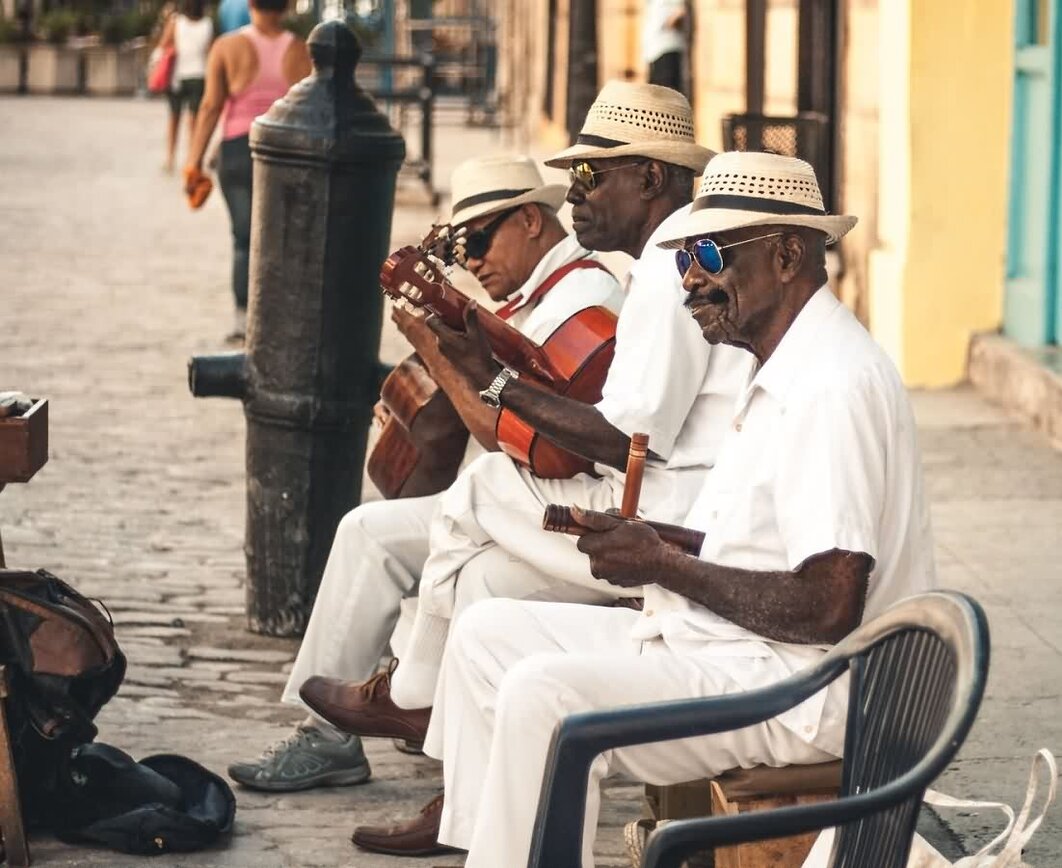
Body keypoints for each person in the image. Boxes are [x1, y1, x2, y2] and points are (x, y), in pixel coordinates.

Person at [366, 150, 937, 866]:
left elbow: (828, 606)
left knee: (546, 692)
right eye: (681, 259)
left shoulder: (830, 387)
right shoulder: (784, 362)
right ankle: (493, 847)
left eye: (707, 253)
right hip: (742, 649)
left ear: (788, 255)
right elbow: (766, 550)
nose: (691, 278)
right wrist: (651, 544)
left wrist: (662, 564)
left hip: (805, 686)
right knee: (486, 634)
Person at [321, 81, 756, 858]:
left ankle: (413, 692)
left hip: (680, 517)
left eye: (593, 179)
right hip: (670, 491)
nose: (576, 200)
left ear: (651, 178)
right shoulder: (669, 256)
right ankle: (470, 817)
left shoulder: (672, 265)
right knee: (484, 586)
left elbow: (626, 436)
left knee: (484, 489)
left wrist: (493, 380)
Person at [225, 156, 626, 793]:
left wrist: (441, 357)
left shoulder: (583, 299)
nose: (470, 262)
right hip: (525, 495)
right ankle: (346, 725)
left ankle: (401, 708)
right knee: (369, 531)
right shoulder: (535, 298)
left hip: (561, 503)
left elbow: (519, 443)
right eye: (459, 249)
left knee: (389, 537)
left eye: (478, 241)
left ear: (529, 219)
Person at [182, 0, 310, 343]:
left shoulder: (227, 47)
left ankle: (243, 320)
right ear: (286, 7)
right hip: (285, 152)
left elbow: (210, 106)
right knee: (283, 238)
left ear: (250, 3)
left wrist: (193, 162)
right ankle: (280, 316)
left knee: (244, 238)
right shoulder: (300, 50)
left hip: (238, 149)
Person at [158, 0, 212, 173]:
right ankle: (192, 158)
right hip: (199, 75)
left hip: (177, 76)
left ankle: (170, 158)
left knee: (174, 119)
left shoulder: (176, 22)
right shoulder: (207, 24)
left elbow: (163, 44)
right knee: (194, 121)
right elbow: (209, 51)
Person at [643, 0, 687, 92]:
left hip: (667, 46)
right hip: (653, 49)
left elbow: (680, 11)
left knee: (667, 90)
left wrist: (670, 23)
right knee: (655, 89)